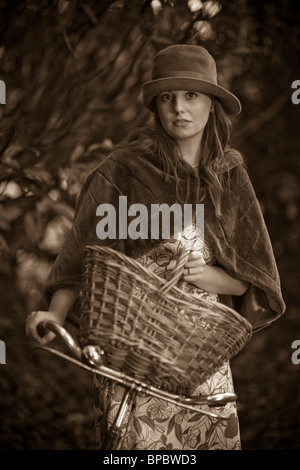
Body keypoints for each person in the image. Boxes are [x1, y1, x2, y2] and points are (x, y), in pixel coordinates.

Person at [25, 44, 285, 450]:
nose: (178, 107)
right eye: (167, 97)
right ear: (156, 106)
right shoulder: (123, 170)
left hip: (201, 357)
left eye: (191, 95)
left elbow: (250, 280)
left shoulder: (229, 176)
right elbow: (80, 255)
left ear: (213, 105)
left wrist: (209, 275)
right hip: (128, 350)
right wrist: (54, 315)